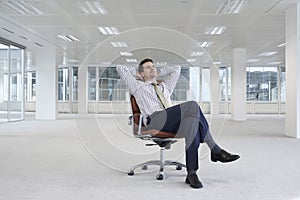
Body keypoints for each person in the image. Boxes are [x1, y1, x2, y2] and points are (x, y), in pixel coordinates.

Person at [117, 58, 240, 189]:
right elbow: (120, 68)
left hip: (171, 121)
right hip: (155, 120)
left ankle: (192, 173)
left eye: (153, 66)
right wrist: (137, 72)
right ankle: (215, 150)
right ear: (141, 73)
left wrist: (158, 73)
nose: (152, 68)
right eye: (148, 67)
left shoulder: (165, 87)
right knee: (192, 105)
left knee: (192, 123)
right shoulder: (137, 87)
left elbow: (176, 69)